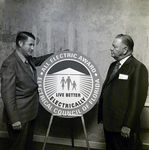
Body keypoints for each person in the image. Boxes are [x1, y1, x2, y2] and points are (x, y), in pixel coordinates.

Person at [0, 31, 53, 150]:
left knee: (27, 145)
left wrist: (58, 55)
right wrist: (14, 120)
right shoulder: (10, 63)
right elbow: (7, 95)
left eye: (33, 45)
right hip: (19, 116)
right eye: (30, 45)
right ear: (20, 43)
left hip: (30, 113)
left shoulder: (27, 59)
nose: (33, 48)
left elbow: (39, 60)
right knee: (18, 146)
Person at [98, 34, 148, 150]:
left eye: (114, 46)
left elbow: (137, 100)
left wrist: (127, 125)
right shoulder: (113, 66)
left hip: (123, 125)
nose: (111, 48)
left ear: (125, 50)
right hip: (109, 122)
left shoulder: (138, 68)